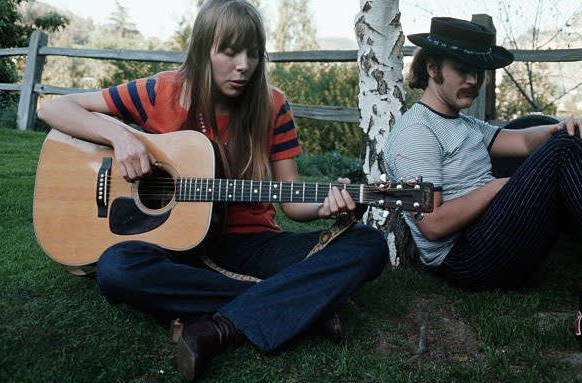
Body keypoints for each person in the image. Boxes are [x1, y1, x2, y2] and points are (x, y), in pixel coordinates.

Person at [37, 0, 388, 379]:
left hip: (251, 243)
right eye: (230, 51)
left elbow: (292, 202)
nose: (244, 65)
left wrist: (324, 208)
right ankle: (299, 304)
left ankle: (219, 324)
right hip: (174, 246)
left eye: (253, 53)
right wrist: (120, 137)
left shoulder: (273, 106)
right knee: (117, 269)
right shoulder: (163, 92)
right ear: (203, 49)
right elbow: (55, 109)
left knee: (367, 244)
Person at [384, 17, 582, 290]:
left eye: (478, 72)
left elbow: (523, 142)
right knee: (569, 145)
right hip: (464, 258)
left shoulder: (460, 122)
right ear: (432, 68)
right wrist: (500, 187)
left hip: (489, 226)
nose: (473, 81)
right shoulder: (416, 133)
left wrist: (564, 126)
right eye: (462, 70)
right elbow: (433, 225)